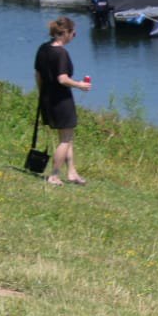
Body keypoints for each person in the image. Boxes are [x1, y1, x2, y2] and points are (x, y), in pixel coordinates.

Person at [33, 16, 93, 187]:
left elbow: (38, 75)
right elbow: (62, 79)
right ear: (66, 33)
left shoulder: (43, 48)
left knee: (68, 137)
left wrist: (42, 93)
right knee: (65, 139)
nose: (74, 37)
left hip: (47, 97)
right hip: (61, 100)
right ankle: (54, 175)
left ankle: (72, 172)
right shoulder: (61, 53)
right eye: (73, 34)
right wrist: (80, 85)